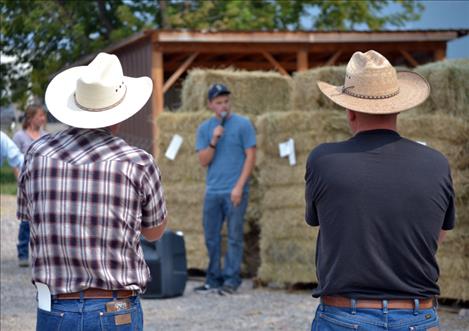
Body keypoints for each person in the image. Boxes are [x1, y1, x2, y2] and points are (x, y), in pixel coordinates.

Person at [304, 50, 455, 330]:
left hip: (344, 315)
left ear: (349, 112)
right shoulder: (436, 163)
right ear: (398, 108)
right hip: (418, 316)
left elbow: (320, 221)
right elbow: (437, 235)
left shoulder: (323, 160)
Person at [17, 52, 168, 331]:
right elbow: (153, 232)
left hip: (55, 307)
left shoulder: (37, 154)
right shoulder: (138, 162)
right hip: (116, 307)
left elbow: (29, 217)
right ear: (119, 115)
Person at [194, 83, 256, 295]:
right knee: (211, 237)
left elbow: (250, 157)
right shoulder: (204, 128)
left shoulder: (243, 124)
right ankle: (213, 279)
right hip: (212, 191)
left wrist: (239, 187)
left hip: (235, 191)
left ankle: (231, 280)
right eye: (219, 102)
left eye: (226, 101)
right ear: (211, 105)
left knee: (234, 237)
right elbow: (203, 160)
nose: (224, 106)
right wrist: (213, 140)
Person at [13, 104, 48, 267]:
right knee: (26, 219)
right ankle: (22, 252)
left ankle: (41, 254)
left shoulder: (46, 136)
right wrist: (19, 179)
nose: (43, 118)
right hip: (25, 182)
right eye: (40, 116)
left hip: (41, 183)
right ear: (31, 117)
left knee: (42, 219)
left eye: (43, 116)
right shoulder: (20, 137)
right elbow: (14, 160)